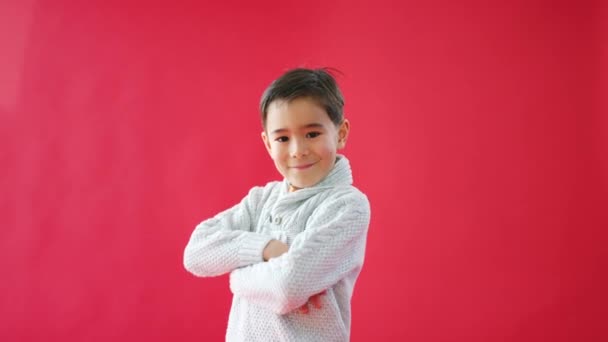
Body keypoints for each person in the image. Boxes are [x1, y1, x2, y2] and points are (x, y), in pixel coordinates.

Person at [183, 67, 371, 341]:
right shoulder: (261, 200)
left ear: (340, 132)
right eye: (283, 138)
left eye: (312, 134)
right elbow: (196, 253)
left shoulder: (347, 206)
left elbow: (287, 286)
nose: (297, 150)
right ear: (268, 144)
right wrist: (266, 248)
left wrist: (236, 276)